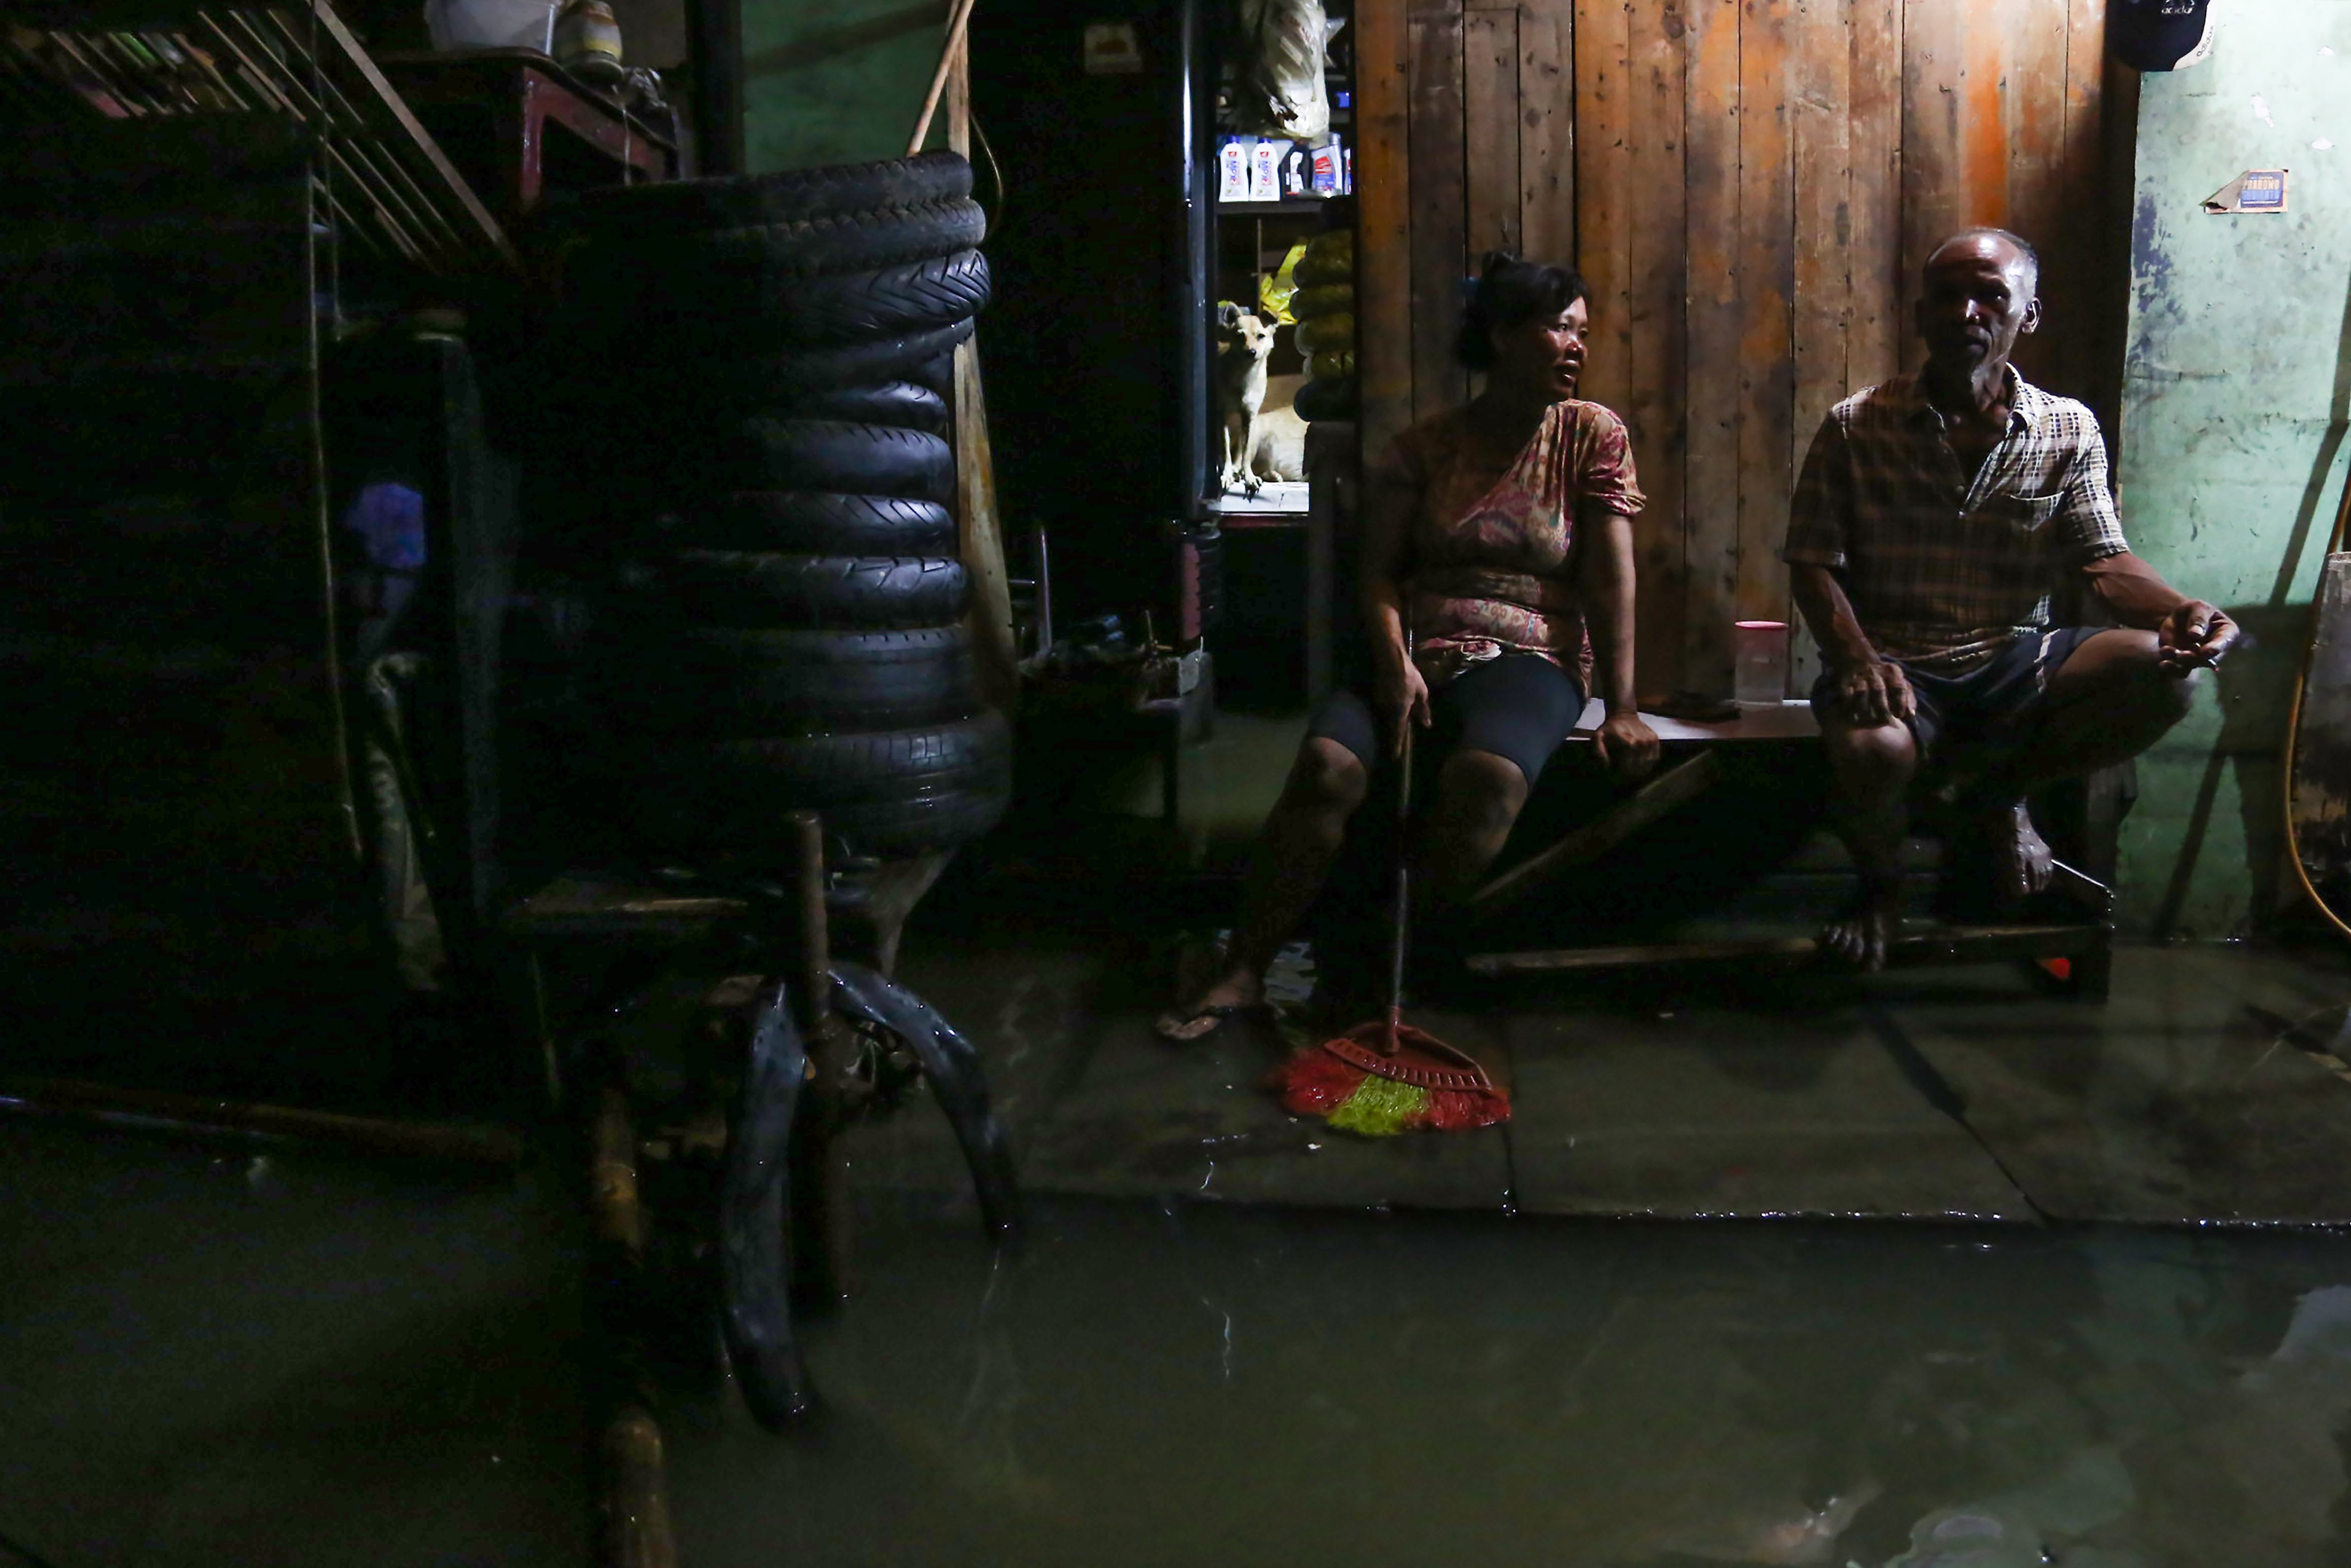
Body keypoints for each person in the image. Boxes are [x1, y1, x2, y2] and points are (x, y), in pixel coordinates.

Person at [1157, 252, 1660, 1040]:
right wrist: (1393, 664)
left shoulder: (1590, 435)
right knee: (1328, 766)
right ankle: (1244, 965)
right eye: (1559, 328)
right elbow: (1379, 574)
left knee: (1485, 779)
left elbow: (1610, 580)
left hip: (1532, 653)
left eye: (1581, 332)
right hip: (1419, 644)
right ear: (1500, 336)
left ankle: (1378, 955)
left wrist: (1624, 706)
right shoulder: (1425, 448)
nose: (1576, 347)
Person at [1784, 227, 2238, 971]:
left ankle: (1998, 794)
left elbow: (2103, 560)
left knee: (2172, 672)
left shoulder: (2066, 427)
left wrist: (2177, 612)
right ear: (1921, 313)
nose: (1967, 312)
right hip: (1896, 659)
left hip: (2014, 656)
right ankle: (1879, 888)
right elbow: (1811, 563)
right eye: (1946, 297)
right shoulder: (1856, 424)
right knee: (1872, 748)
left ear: (2026, 316)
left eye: (1990, 296)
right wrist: (1856, 656)